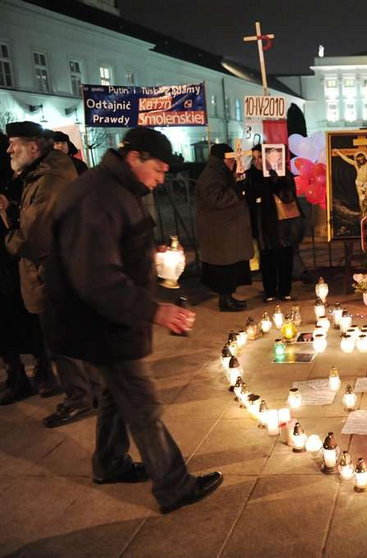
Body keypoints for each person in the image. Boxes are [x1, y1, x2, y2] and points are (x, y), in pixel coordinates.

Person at [44, 127, 223, 514]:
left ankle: (110, 463)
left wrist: (145, 252)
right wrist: (156, 310)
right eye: (158, 170)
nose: (161, 180)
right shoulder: (98, 197)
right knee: (142, 404)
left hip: (104, 319)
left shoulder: (115, 189)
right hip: (99, 321)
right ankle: (175, 487)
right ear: (133, 158)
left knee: (115, 393)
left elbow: (115, 246)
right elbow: (96, 276)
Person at [3, 121, 103, 425]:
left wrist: (8, 231)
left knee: (61, 342)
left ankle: (79, 399)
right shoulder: (45, 174)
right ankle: (94, 393)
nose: (9, 150)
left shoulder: (49, 180)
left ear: (33, 147)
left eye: (14, 144)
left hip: (52, 275)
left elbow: (33, 237)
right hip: (58, 272)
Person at [0, 132, 52, 405]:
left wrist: (9, 210)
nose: (10, 149)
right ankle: (14, 373)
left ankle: (42, 369)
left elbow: (27, 206)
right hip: (9, 248)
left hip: (14, 252)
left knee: (26, 315)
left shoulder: (11, 160)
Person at [196, 143, 253, 311]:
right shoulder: (212, 175)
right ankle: (225, 299)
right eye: (231, 159)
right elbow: (216, 199)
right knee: (224, 268)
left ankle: (229, 297)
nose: (234, 162)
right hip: (220, 231)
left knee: (230, 266)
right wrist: (237, 191)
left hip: (226, 229)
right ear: (223, 159)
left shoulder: (220, 172)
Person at [246, 144, 304, 302]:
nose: (257, 161)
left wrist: (274, 179)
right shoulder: (250, 175)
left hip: (283, 224)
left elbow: (289, 195)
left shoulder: (282, 172)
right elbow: (249, 198)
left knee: (285, 256)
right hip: (263, 223)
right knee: (266, 257)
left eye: (260, 157)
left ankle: (285, 290)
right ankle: (270, 291)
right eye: (254, 158)